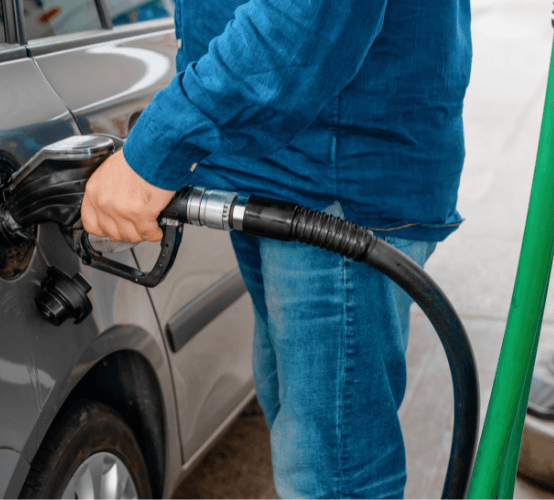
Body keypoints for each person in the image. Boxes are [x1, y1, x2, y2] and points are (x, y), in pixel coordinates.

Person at [81, 0, 471, 497]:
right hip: (284, 170)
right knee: (306, 441)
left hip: (334, 176)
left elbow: (312, 12)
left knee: (331, 476)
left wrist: (159, 146)